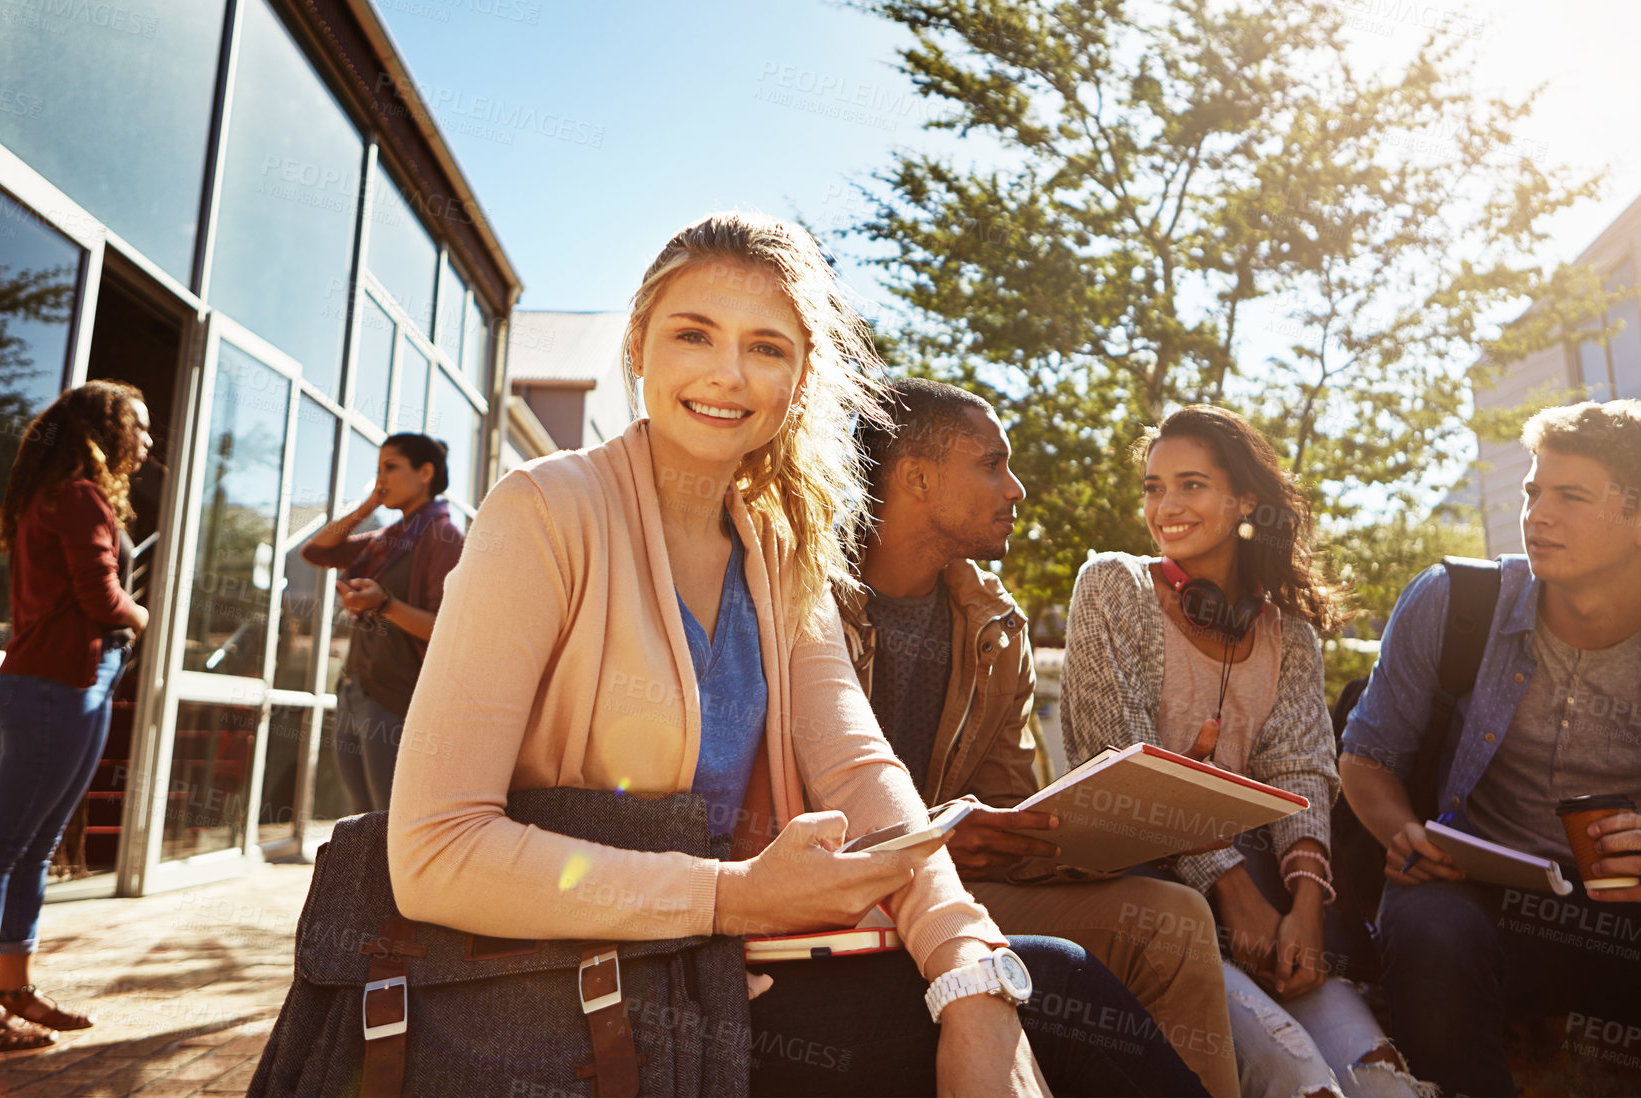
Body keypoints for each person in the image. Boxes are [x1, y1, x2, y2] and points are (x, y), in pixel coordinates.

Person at [388, 212, 1207, 1096]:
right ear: (637, 346)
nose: (727, 373)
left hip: (731, 966)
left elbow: (860, 770)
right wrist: (730, 897)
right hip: (566, 989)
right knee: (1069, 1004)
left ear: (800, 377)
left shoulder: (780, 544)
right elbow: (435, 852)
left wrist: (971, 974)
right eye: (692, 333)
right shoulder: (544, 511)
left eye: (767, 348)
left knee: (1044, 984)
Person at [835, 378, 1238, 1096]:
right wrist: (928, 839)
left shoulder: (996, 626)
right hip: (844, 892)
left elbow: (1008, 813)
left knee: (1171, 917)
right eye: (992, 463)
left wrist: (1148, 818)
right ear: (917, 478)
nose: (1015, 488)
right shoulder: (801, 602)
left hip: (958, 888)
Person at [1058, 404, 1430, 1098]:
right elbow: (1121, 762)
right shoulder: (1113, 586)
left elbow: (1300, 774)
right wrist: (1230, 889)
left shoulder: (1289, 635)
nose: (1164, 505)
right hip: (1160, 908)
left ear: (1244, 500)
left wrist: (1304, 915)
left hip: (1268, 905)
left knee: (1381, 1080)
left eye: (1190, 484)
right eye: (1152, 486)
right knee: (1297, 1077)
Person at [1342, 399, 1641, 1098]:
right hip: (1473, 895)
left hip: (1622, 911)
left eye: (1570, 497)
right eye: (1534, 492)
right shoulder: (1453, 602)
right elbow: (1366, 755)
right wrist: (1403, 833)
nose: (1537, 514)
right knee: (1426, 932)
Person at [0, 381, 153, 1052]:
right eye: (139, 428)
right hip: (55, 687)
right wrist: (140, 613)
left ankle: (14, 988)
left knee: (36, 848)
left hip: (67, 684)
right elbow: (100, 598)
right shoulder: (81, 496)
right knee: (0, 848)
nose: (148, 441)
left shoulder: (59, 496)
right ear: (107, 430)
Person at [300, 433, 462, 814]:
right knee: (361, 815)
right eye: (377, 469)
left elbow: (446, 630)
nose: (381, 478)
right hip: (355, 689)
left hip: (397, 697)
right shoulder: (387, 539)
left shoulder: (444, 537)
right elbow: (316, 551)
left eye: (390, 467)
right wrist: (371, 502)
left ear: (425, 472)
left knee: (390, 820)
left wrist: (385, 603)